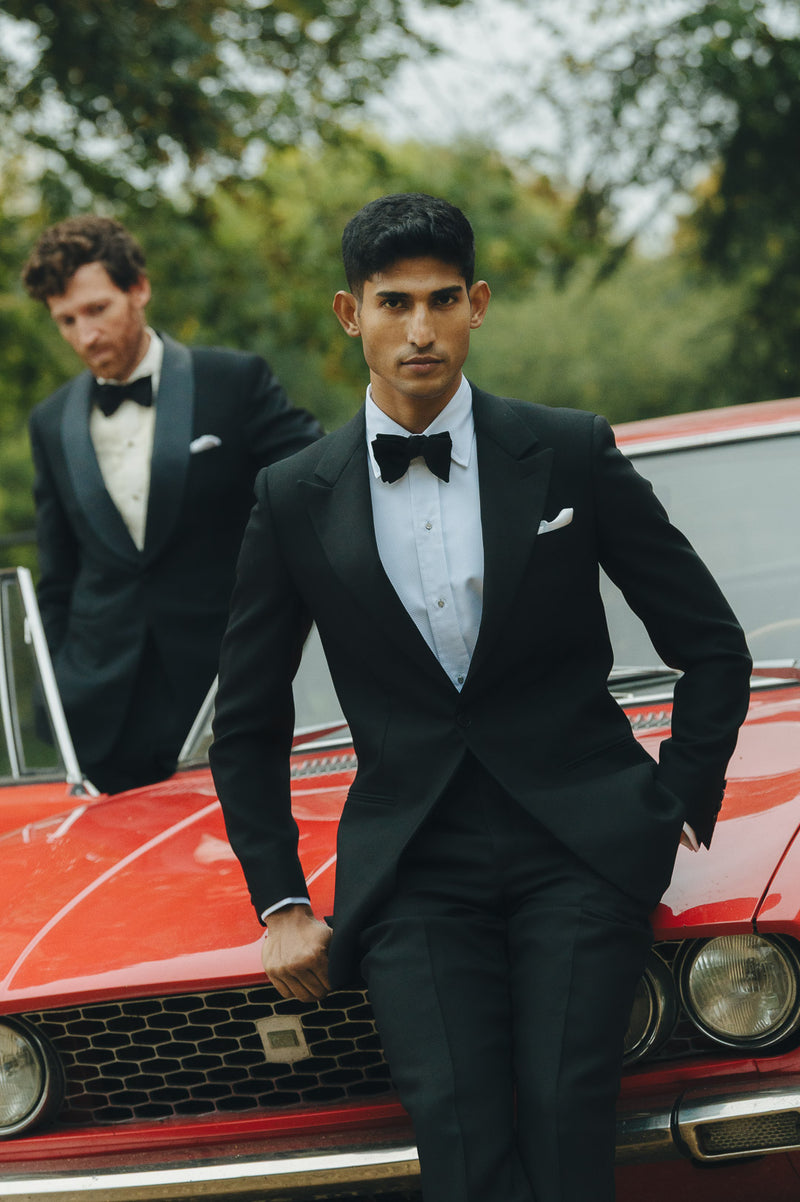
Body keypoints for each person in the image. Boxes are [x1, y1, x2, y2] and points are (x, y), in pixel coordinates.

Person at [209, 193, 752, 1202]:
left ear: (477, 304)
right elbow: (246, 719)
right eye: (391, 303)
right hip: (413, 861)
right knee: (456, 1131)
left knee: (563, 1117)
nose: (419, 329)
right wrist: (281, 896)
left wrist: (672, 798)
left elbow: (710, 645)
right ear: (348, 313)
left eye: (441, 300)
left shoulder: (568, 451)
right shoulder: (293, 493)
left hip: (578, 845)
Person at [22, 215, 322, 794]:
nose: (85, 335)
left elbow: (317, 490)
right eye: (66, 320)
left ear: (138, 288)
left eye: (97, 310)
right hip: (101, 716)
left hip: (228, 697)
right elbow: (58, 577)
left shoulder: (234, 381)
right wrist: (55, 693)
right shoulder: (50, 421)